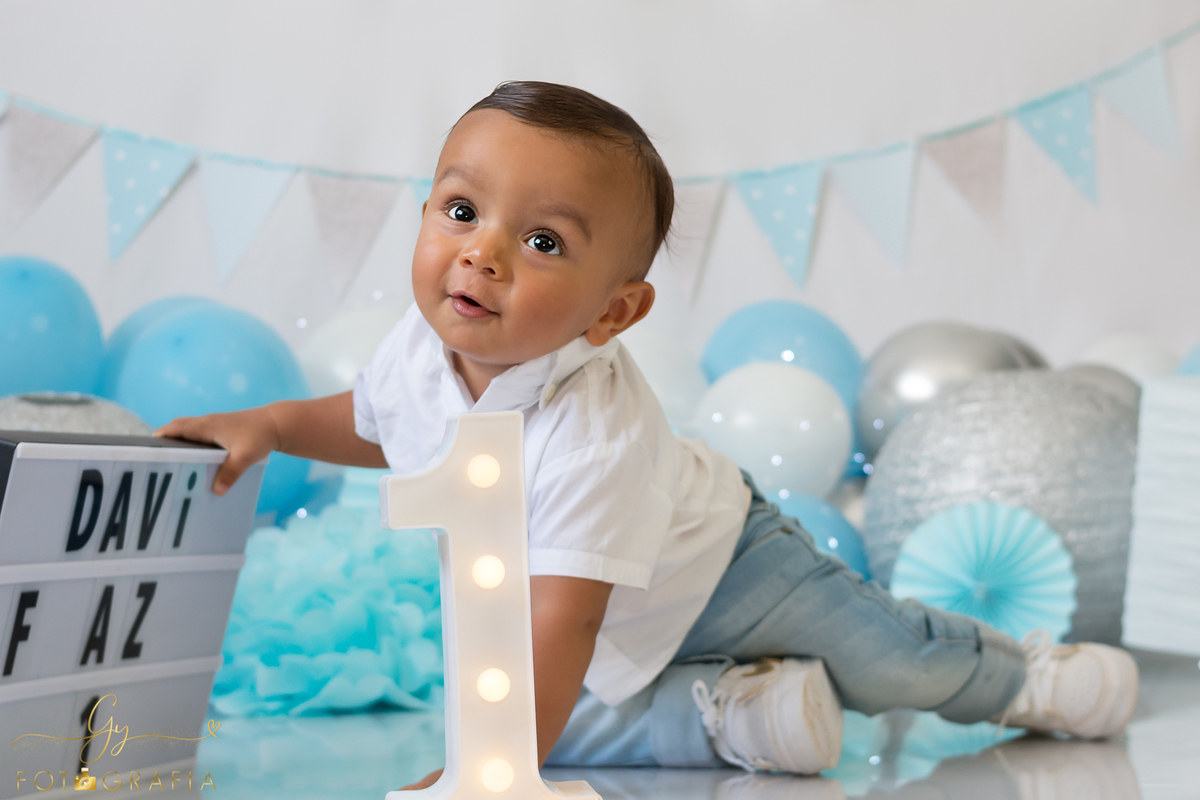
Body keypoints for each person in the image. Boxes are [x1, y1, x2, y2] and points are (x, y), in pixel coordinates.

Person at [157, 81, 1139, 787]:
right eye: (462, 209)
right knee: (527, 712)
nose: (482, 253)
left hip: (723, 563)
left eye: (543, 242)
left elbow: (562, 622)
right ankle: (739, 712)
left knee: (888, 660)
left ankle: (1028, 674)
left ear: (614, 312)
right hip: (604, 616)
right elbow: (377, 425)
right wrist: (275, 422)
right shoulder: (421, 352)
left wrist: (487, 775)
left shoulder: (594, 432)